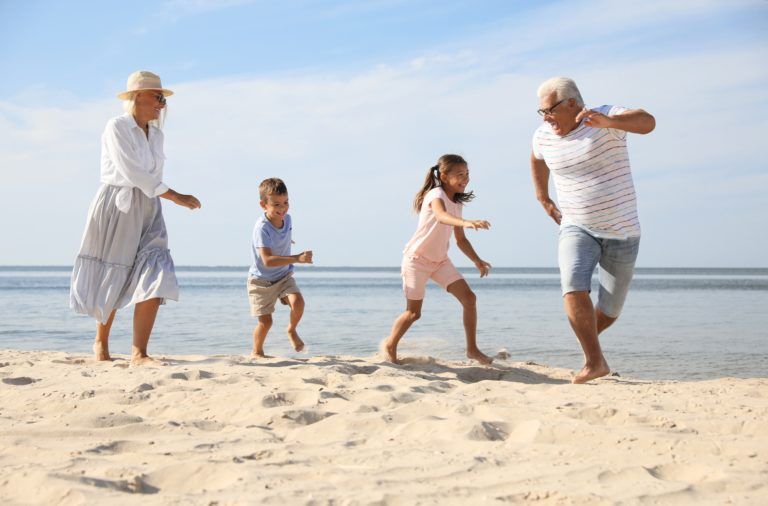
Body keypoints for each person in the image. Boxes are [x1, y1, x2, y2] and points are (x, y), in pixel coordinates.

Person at [70, 70, 201, 366]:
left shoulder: (157, 135)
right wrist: (177, 196)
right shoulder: (116, 127)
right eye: (158, 97)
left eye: (162, 99)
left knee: (158, 270)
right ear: (138, 96)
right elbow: (132, 173)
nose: (162, 104)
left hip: (151, 206)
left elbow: (152, 178)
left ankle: (139, 352)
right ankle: (100, 343)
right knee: (113, 272)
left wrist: (165, 197)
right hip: (119, 205)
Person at [530, 77, 655, 383]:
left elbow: (648, 122)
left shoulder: (605, 116)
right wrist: (542, 196)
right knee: (573, 285)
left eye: (548, 110)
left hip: (623, 231)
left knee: (610, 311)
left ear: (571, 103)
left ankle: (587, 340)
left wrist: (611, 121)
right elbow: (537, 158)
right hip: (577, 225)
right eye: (541, 112)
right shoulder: (543, 135)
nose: (545, 118)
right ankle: (594, 362)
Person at [381, 154, 493, 365]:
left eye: (467, 174)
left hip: (440, 262)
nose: (465, 178)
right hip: (416, 260)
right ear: (444, 175)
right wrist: (467, 222)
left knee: (469, 299)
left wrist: (477, 260)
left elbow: (460, 240)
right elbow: (442, 217)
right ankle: (390, 344)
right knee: (414, 313)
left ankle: (472, 349)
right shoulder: (435, 194)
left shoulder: (457, 203)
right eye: (460, 174)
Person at [248, 178, 313, 358]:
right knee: (266, 322)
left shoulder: (287, 219)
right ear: (263, 205)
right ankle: (257, 352)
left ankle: (291, 330)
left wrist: (286, 241)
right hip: (261, 280)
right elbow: (267, 260)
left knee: (298, 302)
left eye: (285, 203)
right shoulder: (262, 228)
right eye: (276, 204)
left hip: (283, 276)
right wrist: (297, 258)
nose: (282, 208)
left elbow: (282, 236)